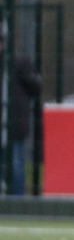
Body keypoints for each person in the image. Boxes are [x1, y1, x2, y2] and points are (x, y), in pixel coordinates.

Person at [0, 35, 42, 195]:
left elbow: (36, 87)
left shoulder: (18, 63)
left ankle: (18, 201)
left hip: (14, 125)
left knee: (15, 164)